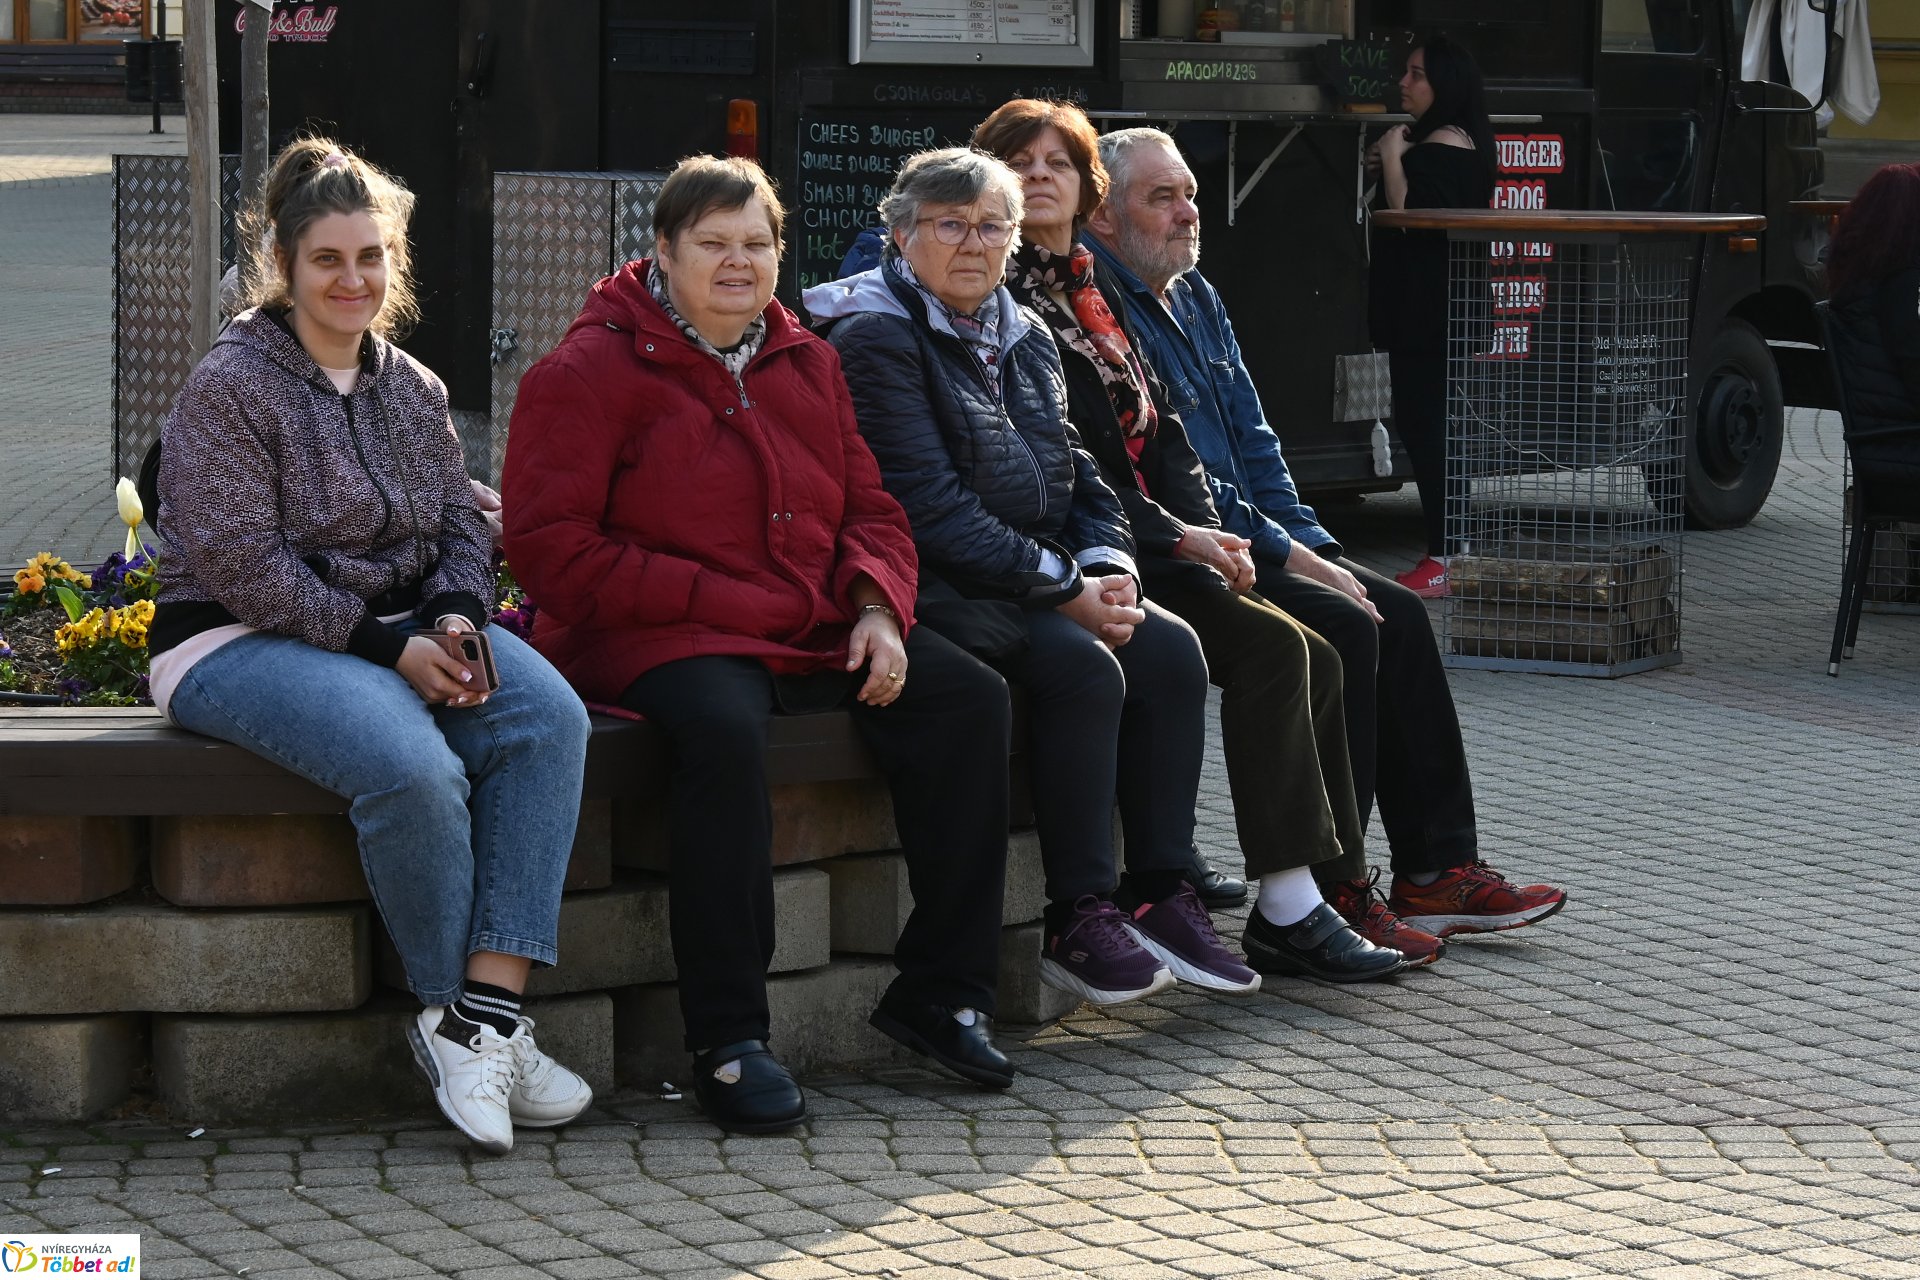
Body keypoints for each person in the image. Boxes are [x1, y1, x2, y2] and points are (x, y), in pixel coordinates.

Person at [502, 155, 1017, 1135]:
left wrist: (875, 607)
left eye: (757, 243)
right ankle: (729, 1040)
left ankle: (943, 990)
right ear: (662, 251)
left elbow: (870, 503)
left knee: (970, 698)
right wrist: (717, 597)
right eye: (713, 244)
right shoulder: (587, 369)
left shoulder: (807, 359)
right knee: (725, 732)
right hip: (653, 631)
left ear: (783, 252)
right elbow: (552, 550)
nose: (737, 263)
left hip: (804, 624)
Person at [149, 138, 594, 1156]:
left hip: (394, 629)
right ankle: (451, 1018)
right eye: (327, 261)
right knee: (409, 763)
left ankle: (489, 1009)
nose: (352, 280)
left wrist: (451, 617)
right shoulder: (233, 384)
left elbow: (457, 526)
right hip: (236, 637)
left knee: (548, 719)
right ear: (285, 265)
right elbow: (239, 560)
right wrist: (385, 643)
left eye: (370, 258)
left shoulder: (414, 389)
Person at [807, 147, 1271, 1008]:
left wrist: (1107, 565)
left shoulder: (1019, 331)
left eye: (992, 227)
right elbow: (929, 510)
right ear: (903, 236)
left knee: (1171, 650)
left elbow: (1084, 476)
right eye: (950, 226)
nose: (973, 245)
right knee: (1084, 666)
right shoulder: (875, 335)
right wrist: (1066, 588)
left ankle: (1161, 891)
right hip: (937, 584)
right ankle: (1078, 913)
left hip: (1031, 570)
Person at [1087, 127, 1568, 944]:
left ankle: (1436, 872)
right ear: (1103, 217)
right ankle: (1339, 885)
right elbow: (1191, 483)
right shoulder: (1106, 309)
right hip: (1188, 550)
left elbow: (1256, 441)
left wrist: (1322, 548)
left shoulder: (1194, 292)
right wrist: (1299, 561)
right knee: (1347, 622)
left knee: (1398, 614)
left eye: (1190, 193)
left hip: (1259, 537)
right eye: (1160, 198)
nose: (1186, 212)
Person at [974, 99, 1416, 979]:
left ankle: (1312, 893)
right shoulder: (998, 295)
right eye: (1019, 162)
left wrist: (1225, 532)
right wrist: (1178, 539)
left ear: (1083, 188)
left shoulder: (1086, 292)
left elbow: (1165, 435)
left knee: (1340, 636)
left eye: (1058, 162)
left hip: (1151, 538)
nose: (1039, 177)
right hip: (1085, 553)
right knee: (1275, 649)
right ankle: (1252, 899)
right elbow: (1072, 465)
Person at [1367, 34, 1498, 598]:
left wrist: (1394, 157)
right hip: (1429, 308)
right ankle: (1452, 550)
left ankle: (1446, 555)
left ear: (1445, 83)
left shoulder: (1448, 142)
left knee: (1429, 429)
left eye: (1417, 73)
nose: (1404, 81)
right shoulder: (1451, 138)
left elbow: (1410, 213)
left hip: (1430, 311)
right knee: (1431, 425)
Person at [1823, 162, 1920, 494]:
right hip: (1902, 446)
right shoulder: (1901, 283)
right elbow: (1912, 359)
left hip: (1883, 442)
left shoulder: (1858, 285)